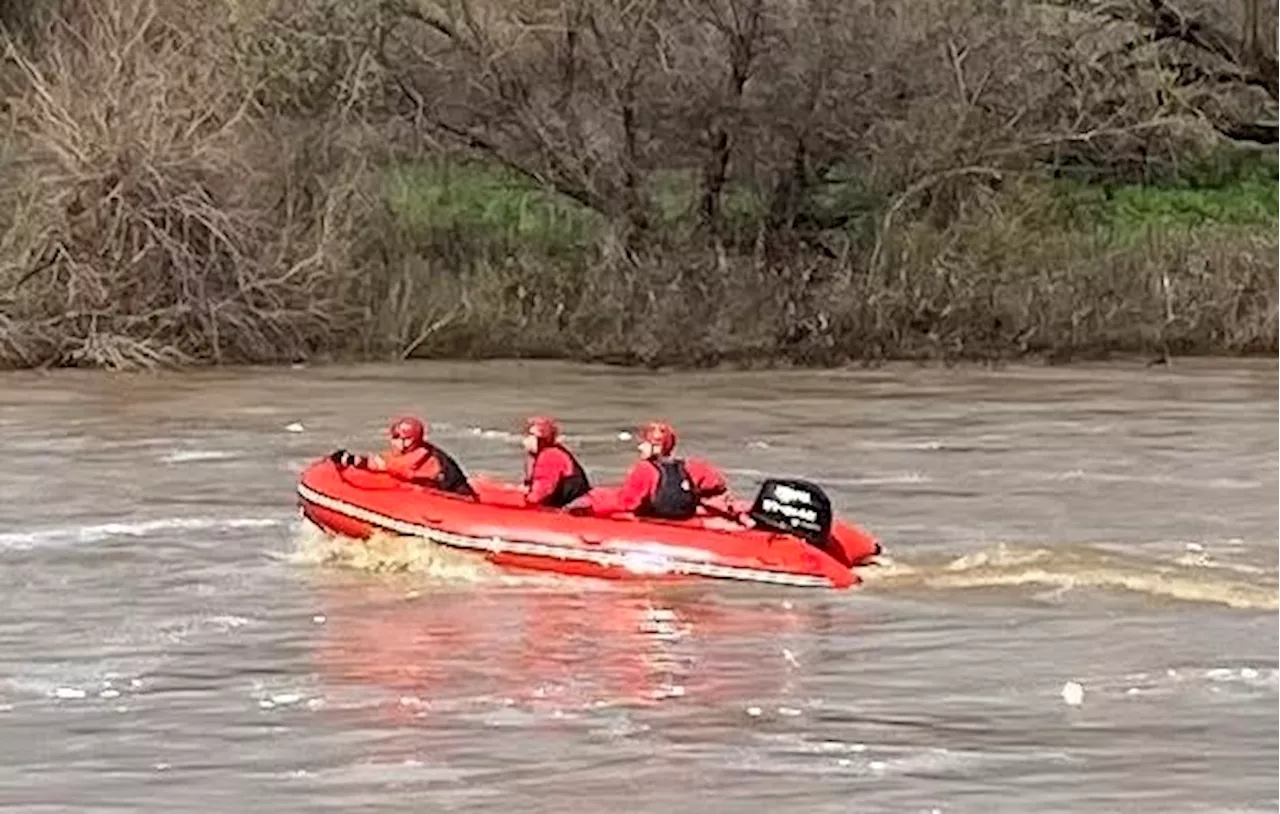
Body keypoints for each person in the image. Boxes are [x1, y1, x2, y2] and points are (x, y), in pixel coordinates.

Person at [566, 420, 732, 520]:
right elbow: (718, 484)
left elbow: (628, 503)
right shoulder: (690, 466)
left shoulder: (645, 469)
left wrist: (590, 507)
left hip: (655, 519)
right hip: (681, 517)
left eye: (644, 443)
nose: (640, 447)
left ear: (655, 447)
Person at [330, 416, 475, 497]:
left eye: (402, 439)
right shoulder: (419, 451)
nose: (397, 442)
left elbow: (381, 464)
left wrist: (348, 460)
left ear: (412, 441)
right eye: (395, 437)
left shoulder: (417, 459)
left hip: (456, 498)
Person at [520, 415, 592, 508]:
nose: (525, 439)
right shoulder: (545, 453)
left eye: (530, 435)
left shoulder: (550, 455)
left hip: (572, 506)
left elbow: (543, 488)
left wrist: (530, 500)